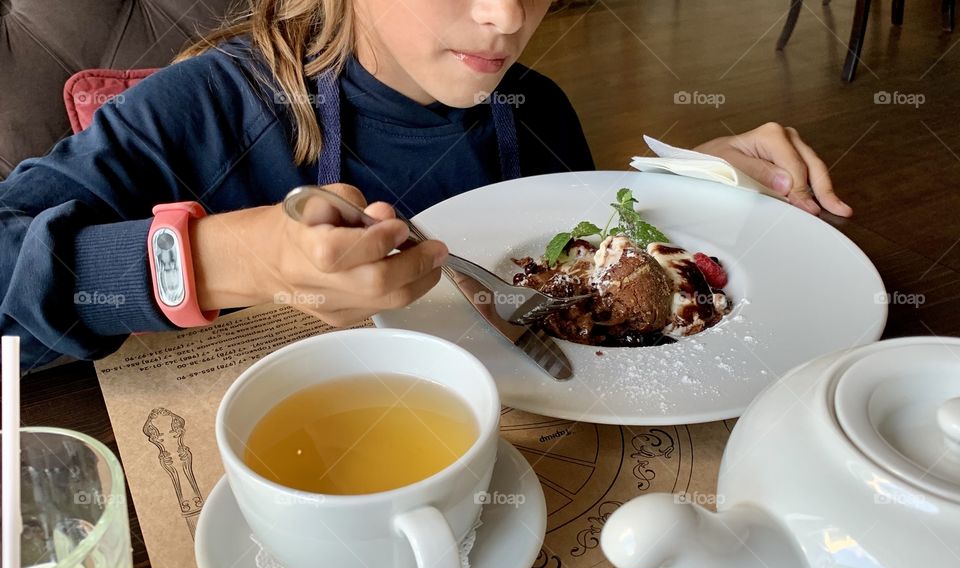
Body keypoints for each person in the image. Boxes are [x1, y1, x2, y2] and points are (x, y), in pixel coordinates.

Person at [0, 0, 852, 370]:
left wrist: (693, 183)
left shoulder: (536, 111)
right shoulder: (215, 107)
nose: (509, 19)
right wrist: (224, 259)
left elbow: (569, 279)